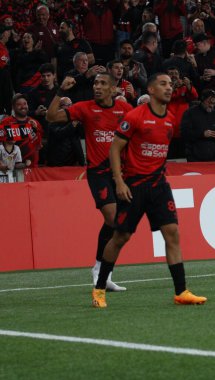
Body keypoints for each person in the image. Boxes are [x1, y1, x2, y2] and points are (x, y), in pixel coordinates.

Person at [92, 73, 207, 308]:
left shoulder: (170, 119)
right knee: (121, 236)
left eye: (170, 85)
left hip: (159, 185)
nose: (169, 88)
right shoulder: (134, 117)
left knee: (172, 233)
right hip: (134, 186)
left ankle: (181, 292)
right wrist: (119, 182)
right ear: (151, 90)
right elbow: (115, 149)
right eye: (163, 84)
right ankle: (99, 289)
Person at [46, 72, 133, 291]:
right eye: (95, 83)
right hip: (99, 173)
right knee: (113, 217)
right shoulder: (85, 108)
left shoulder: (125, 110)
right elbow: (51, 116)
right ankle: (98, 270)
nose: (97, 86)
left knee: (118, 225)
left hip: (121, 174)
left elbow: (138, 134)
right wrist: (61, 91)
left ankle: (104, 272)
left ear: (114, 89)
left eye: (103, 83)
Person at [180, 89, 215, 162]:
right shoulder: (190, 113)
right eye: (209, 102)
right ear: (202, 100)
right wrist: (202, 134)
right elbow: (184, 134)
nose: (211, 105)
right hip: (195, 159)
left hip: (213, 158)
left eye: (214, 103)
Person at [0, 93, 42, 167]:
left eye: (25, 104)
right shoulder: (5, 123)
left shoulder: (35, 123)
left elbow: (39, 145)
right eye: (19, 104)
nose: (23, 106)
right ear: (13, 107)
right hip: (10, 168)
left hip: (32, 167)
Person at [47, 97, 85, 166]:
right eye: (67, 105)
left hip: (74, 161)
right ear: (59, 107)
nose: (71, 107)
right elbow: (60, 134)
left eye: (71, 104)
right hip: (58, 162)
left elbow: (83, 134)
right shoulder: (53, 121)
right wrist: (73, 124)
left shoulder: (74, 119)